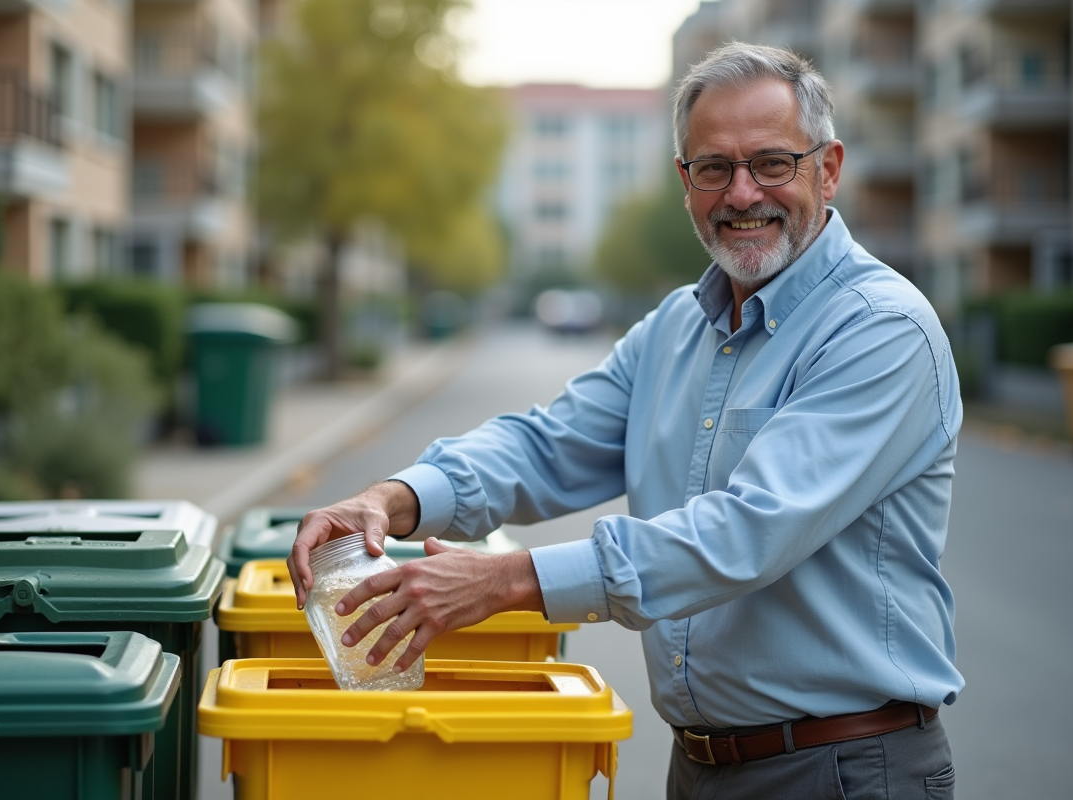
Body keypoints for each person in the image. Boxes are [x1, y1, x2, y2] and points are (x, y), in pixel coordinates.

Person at [288, 42, 962, 800]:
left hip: (843, 770)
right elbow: (547, 446)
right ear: (685, 182)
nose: (742, 194)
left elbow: (744, 533)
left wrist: (502, 580)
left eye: (771, 163)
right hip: (702, 768)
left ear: (828, 168)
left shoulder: (880, 329)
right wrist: (391, 498)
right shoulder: (678, 326)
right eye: (713, 168)